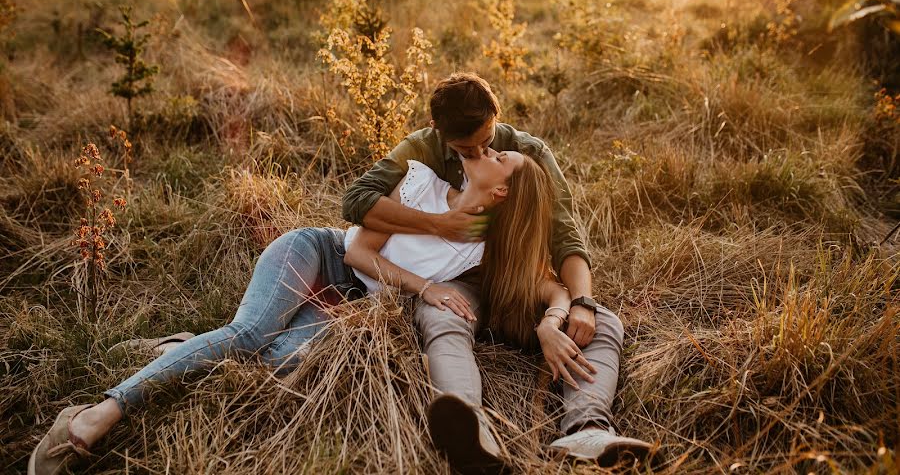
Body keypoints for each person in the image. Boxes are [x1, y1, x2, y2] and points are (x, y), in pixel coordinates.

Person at [28, 140, 547, 475]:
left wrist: (563, 312)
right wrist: (424, 288)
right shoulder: (426, 186)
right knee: (250, 334)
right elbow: (355, 251)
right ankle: (98, 413)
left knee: (278, 362)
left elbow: (541, 284)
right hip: (318, 254)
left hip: (352, 304)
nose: (491, 147)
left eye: (502, 157)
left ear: (501, 191)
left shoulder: (482, 251)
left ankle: (184, 349)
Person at [342, 72, 652, 471]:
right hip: (456, 283)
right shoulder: (421, 148)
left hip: (508, 280)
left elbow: (564, 236)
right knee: (444, 314)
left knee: (601, 321)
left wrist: (576, 306)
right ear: (440, 130)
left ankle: (588, 428)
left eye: (488, 145)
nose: (478, 153)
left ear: (495, 117)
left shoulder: (524, 154)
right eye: (465, 149)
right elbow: (356, 202)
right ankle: (471, 429)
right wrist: (438, 225)